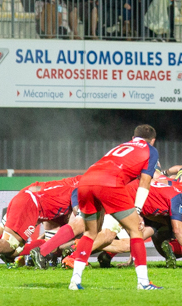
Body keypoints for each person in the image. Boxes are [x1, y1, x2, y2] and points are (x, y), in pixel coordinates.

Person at [68, 124, 163, 291]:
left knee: (90, 233)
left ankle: (75, 281)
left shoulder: (121, 146)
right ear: (153, 140)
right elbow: (145, 181)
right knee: (136, 230)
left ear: (133, 138)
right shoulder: (150, 150)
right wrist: (138, 210)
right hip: (109, 183)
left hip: (86, 180)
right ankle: (143, 282)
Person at [0, 175, 80, 269]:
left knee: (12, 247)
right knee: (9, 244)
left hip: (29, 199)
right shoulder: (79, 189)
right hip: (31, 205)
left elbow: (39, 187)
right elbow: (77, 218)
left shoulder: (71, 184)